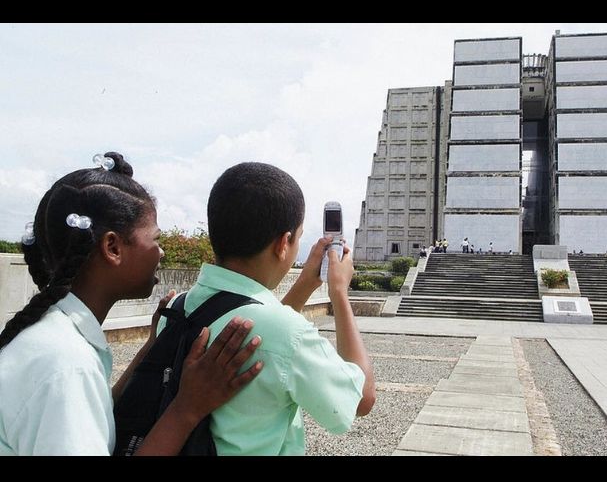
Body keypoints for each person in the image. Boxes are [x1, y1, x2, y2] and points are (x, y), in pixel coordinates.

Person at [0, 152, 263, 455]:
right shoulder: (66, 365)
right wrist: (188, 408)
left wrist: (151, 347)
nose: (161, 253)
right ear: (112, 247)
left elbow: (92, 420)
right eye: (155, 239)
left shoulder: (54, 336)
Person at [155, 162, 375, 455]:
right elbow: (361, 399)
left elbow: (262, 320)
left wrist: (305, 286)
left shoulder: (175, 307)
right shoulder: (287, 333)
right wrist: (339, 293)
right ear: (284, 244)